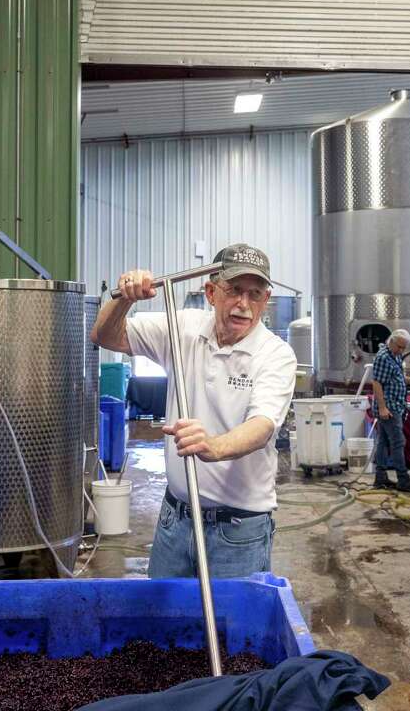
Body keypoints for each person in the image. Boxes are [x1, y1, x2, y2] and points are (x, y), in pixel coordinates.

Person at [90, 244, 297, 578]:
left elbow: (262, 426)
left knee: (232, 627)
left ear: (266, 300)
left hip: (239, 529)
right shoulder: (182, 327)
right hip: (176, 518)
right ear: (211, 292)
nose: (243, 304)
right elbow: (105, 336)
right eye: (233, 291)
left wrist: (213, 446)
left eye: (254, 294)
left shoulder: (276, 354)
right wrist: (123, 298)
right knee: (164, 622)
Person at [370, 329, 410, 493]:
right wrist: (382, 408)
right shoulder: (383, 358)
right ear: (391, 342)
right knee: (398, 442)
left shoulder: (395, 355)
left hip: (396, 405)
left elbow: (397, 377)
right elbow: (377, 383)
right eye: (399, 347)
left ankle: (380, 478)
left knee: (383, 442)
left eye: (404, 348)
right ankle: (403, 480)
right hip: (389, 407)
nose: (401, 351)